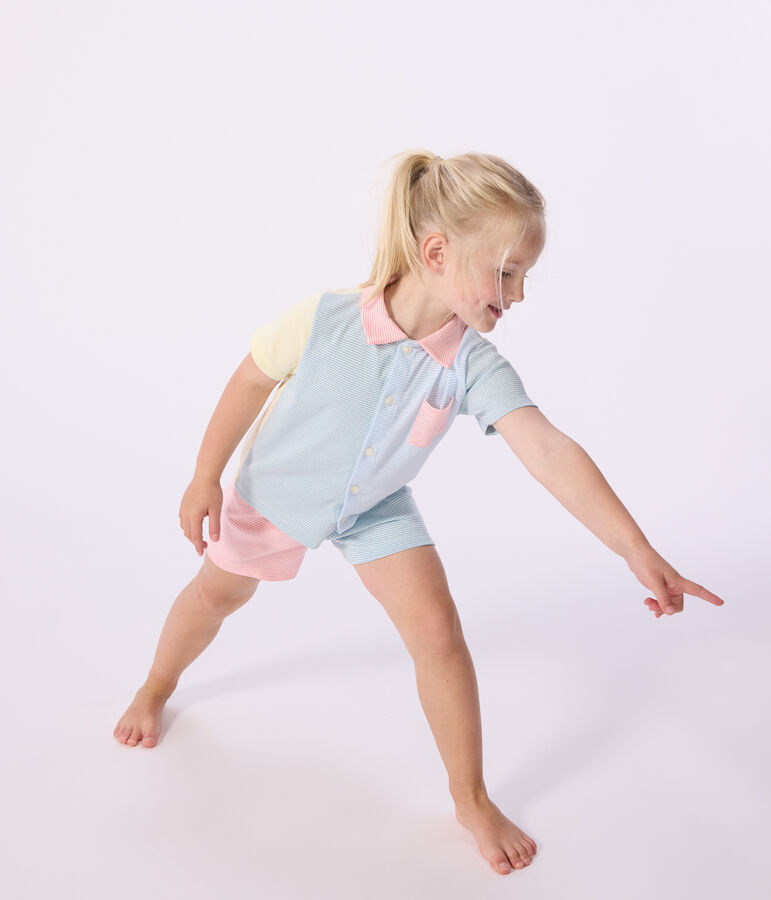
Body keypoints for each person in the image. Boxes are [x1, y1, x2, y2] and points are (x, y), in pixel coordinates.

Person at [114, 149, 724, 876]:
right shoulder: (322, 318)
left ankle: (468, 797)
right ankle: (156, 685)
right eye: (506, 272)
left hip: (374, 507)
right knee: (215, 595)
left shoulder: (472, 362)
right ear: (435, 252)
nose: (519, 294)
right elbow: (249, 381)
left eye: (526, 275)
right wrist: (203, 476)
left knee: (437, 633)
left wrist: (634, 547)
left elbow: (548, 451)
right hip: (275, 492)